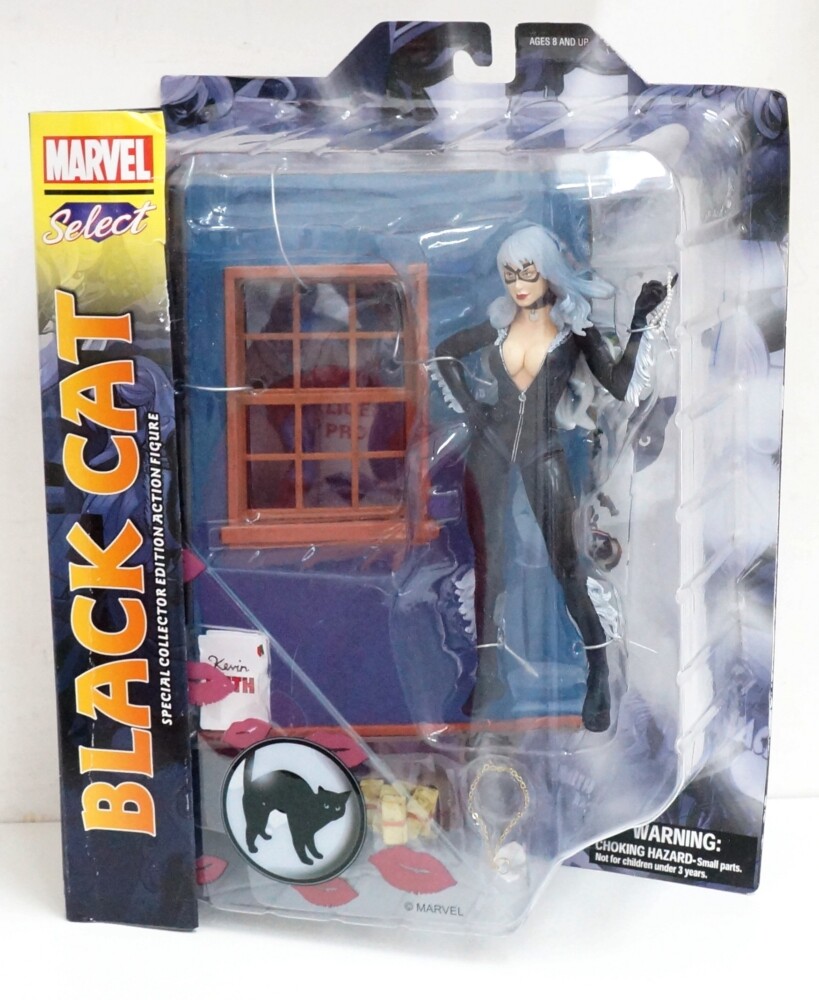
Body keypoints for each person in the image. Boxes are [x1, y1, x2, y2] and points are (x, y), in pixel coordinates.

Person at [433, 224, 670, 730]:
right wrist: (473, 409)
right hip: (490, 451)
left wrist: (639, 323)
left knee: (568, 564)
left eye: (527, 272)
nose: (518, 285)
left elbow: (620, 385)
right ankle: (489, 672)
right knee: (489, 563)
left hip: (543, 449)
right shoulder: (497, 326)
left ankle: (599, 671)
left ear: (547, 270)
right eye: (509, 275)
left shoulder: (575, 331)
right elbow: (445, 351)